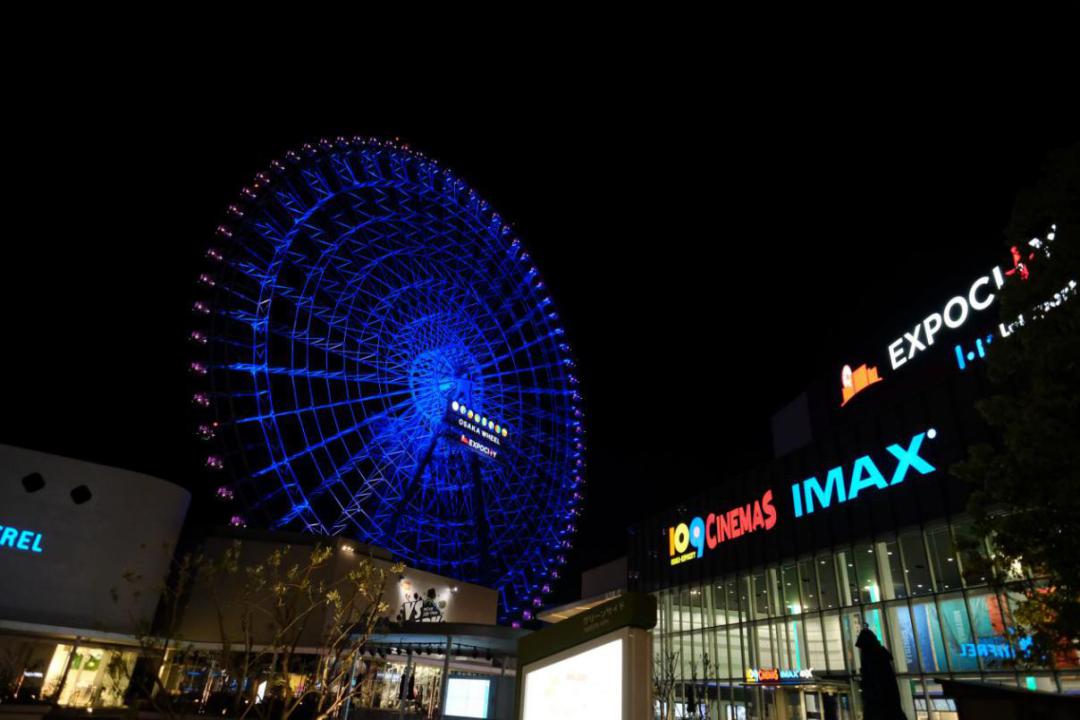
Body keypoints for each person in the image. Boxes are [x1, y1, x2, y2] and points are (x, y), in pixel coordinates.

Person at [856, 627, 907, 720]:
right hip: (887, 702)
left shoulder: (870, 657)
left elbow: (873, 681)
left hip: (878, 702)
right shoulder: (881, 655)